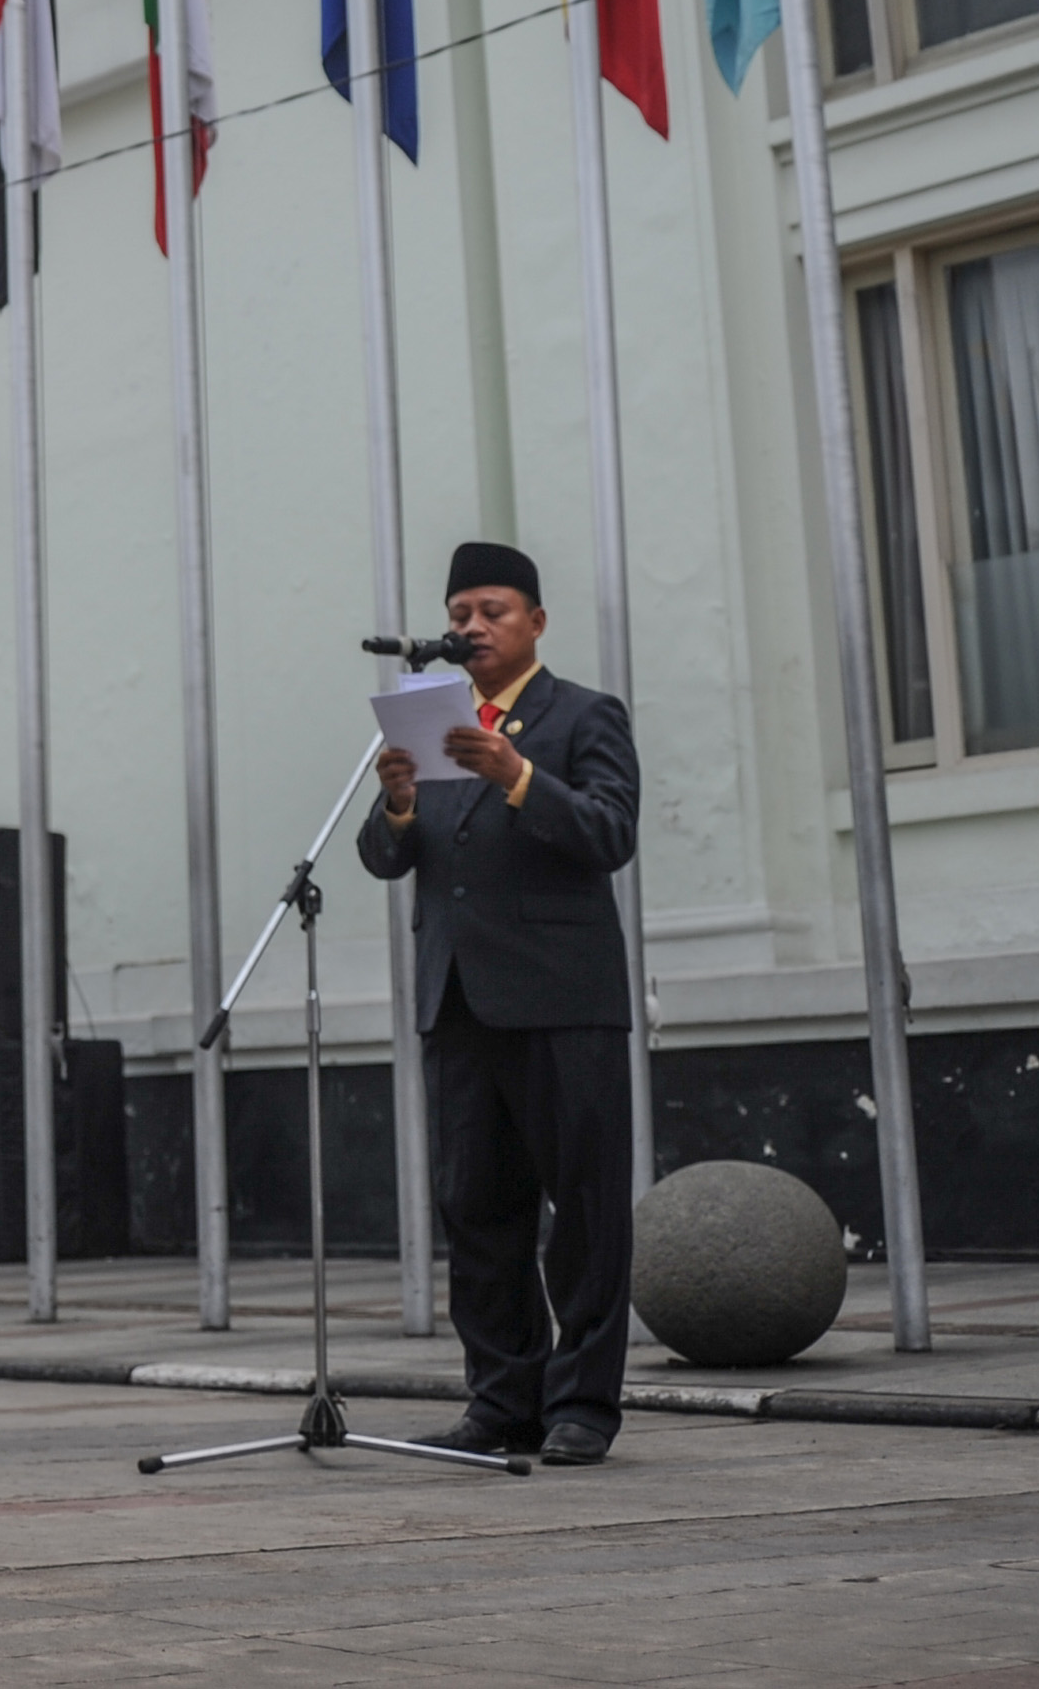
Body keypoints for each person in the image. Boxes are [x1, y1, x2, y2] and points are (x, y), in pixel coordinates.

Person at [358, 539, 641, 1466]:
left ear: (536, 623)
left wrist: (514, 775)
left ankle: (584, 1406)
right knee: (477, 1210)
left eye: (492, 611)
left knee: (586, 1210)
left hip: (562, 1002)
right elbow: (387, 857)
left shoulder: (582, 716)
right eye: (459, 613)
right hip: (461, 1001)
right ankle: (500, 1399)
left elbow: (609, 833)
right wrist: (398, 803)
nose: (470, 627)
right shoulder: (429, 723)